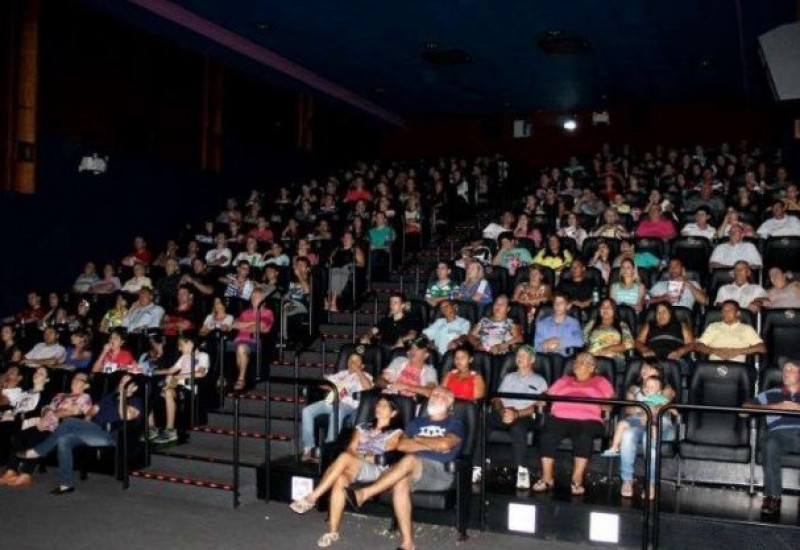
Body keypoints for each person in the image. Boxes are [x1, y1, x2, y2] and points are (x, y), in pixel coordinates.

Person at [345, 387, 464, 550]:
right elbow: (401, 445)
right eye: (432, 395)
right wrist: (433, 444)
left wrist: (419, 440)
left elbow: (446, 444)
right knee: (401, 482)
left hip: (440, 472)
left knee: (410, 459)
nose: (432, 397)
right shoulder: (417, 422)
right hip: (415, 469)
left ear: (449, 401)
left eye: (438, 395)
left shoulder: (454, 422)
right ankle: (407, 543)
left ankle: (365, 493)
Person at [289, 396, 404, 548]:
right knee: (341, 479)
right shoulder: (363, 426)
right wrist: (358, 455)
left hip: (376, 468)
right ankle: (332, 531)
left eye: (384, 406)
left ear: (393, 413)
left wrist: (360, 455)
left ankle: (313, 497)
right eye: (378, 404)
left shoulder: (395, 432)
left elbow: (383, 456)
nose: (378, 408)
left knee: (344, 457)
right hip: (354, 463)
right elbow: (351, 447)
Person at [17, 374, 141, 494]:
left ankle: (39, 451)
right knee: (64, 440)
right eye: (121, 382)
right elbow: (93, 410)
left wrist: (123, 396)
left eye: (126, 383)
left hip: (110, 434)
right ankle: (66, 484)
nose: (122, 384)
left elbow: (126, 416)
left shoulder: (136, 400)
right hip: (93, 430)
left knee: (69, 422)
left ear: (134, 387)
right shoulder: (110, 397)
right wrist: (87, 420)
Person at [533, 352, 615, 495]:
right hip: (561, 416)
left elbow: (611, 401)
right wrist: (542, 399)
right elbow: (547, 394)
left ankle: (577, 479)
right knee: (547, 433)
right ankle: (547, 477)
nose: (576, 364)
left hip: (588, 419)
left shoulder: (601, 381)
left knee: (583, 434)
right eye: (576, 361)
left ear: (592, 367)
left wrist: (606, 406)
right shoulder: (565, 379)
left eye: (582, 362)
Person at [743, 359, 800, 516]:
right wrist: (776, 407)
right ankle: (773, 497)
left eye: (791, 369)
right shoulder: (772, 393)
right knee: (769, 442)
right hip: (779, 433)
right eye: (784, 370)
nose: (785, 373)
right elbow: (744, 409)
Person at [490, 346, 548, 489]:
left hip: (525, 415)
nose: (519, 358)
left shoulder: (539, 380)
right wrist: (503, 410)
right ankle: (477, 467)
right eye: (518, 356)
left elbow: (540, 405)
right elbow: (497, 399)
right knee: (482, 421)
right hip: (505, 412)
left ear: (532, 360)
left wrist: (516, 414)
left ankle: (522, 471)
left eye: (523, 355)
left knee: (518, 427)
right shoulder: (509, 377)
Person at [300, 352, 373, 462]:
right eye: (350, 360)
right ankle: (308, 449)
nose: (351, 363)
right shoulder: (342, 374)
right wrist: (326, 386)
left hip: (348, 405)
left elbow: (368, 389)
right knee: (307, 411)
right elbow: (325, 381)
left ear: (362, 365)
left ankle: (328, 451)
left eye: (355, 361)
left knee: (336, 411)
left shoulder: (366, 375)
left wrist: (358, 371)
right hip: (331, 401)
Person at [150, 335, 209, 444]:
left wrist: (179, 377)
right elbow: (171, 370)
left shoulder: (202, 356)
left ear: (191, 343)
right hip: (178, 385)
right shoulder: (183, 357)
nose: (179, 348)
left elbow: (201, 373)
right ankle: (152, 428)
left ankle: (170, 431)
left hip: (190, 387)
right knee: (151, 391)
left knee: (168, 391)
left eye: (181, 345)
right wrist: (151, 372)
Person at [230, 286, 275, 391]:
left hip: (255, 341)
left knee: (241, 348)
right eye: (253, 296)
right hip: (238, 340)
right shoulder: (246, 312)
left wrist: (244, 326)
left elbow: (262, 327)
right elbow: (234, 324)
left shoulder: (267, 312)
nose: (254, 298)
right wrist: (252, 322)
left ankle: (241, 379)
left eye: (257, 296)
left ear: (264, 299)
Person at [695, 300, 766, 363]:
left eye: (730, 310)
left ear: (738, 313)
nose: (726, 313)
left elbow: (761, 348)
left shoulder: (746, 328)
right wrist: (715, 351)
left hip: (737, 366)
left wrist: (737, 352)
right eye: (724, 310)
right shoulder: (713, 326)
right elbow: (700, 346)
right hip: (714, 364)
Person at [583, 298, 634, 365]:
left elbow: (628, 344)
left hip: (614, 357)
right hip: (592, 357)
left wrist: (608, 349)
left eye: (609, 307)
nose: (605, 309)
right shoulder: (592, 323)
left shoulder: (622, 325)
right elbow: (584, 340)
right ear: (599, 309)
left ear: (614, 310)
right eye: (603, 306)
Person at [533, 292, 584, 356]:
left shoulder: (573, 323)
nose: (557, 306)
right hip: (547, 357)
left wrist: (558, 341)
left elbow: (580, 341)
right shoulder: (542, 323)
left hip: (565, 359)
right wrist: (544, 345)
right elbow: (536, 346)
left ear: (568, 306)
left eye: (561, 303)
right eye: (555, 303)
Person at [326, 232, 365, 312]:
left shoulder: (356, 250)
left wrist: (352, 264)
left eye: (349, 237)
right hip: (335, 270)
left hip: (348, 271)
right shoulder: (337, 249)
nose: (346, 239)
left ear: (353, 241)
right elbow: (330, 260)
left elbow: (362, 264)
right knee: (331, 273)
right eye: (345, 237)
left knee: (337, 275)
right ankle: (327, 301)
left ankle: (332, 302)